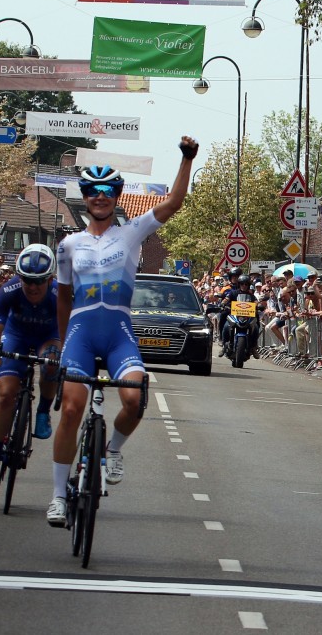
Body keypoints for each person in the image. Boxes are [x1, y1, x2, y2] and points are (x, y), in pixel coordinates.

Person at [48, 136, 198, 527]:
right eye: (93, 192)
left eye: (107, 191)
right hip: (80, 334)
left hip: (118, 333)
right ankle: (59, 495)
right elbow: (63, 299)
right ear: (85, 197)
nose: (100, 197)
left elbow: (174, 204)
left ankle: (112, 449)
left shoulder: (130, 233)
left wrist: (186, 159)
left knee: (134, 398)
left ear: (116, 197)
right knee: (71, 409)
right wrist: (63, 344)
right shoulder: (69, 245)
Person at [0, 244, 62, 492]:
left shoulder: (60, 294)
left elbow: (71, 330)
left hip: (49, 335)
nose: (33, 287)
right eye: (27, 280)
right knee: (5, 395)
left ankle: (43, 411)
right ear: (19, 276)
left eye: (39, 281)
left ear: (50, 278)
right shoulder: (9, 290)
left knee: (51, 363)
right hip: (17, 335)